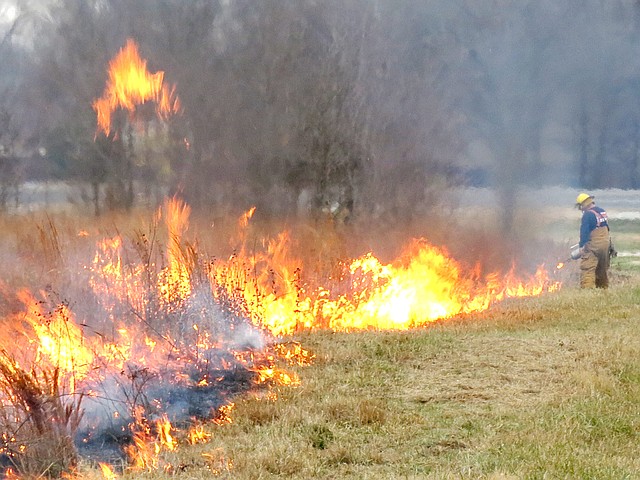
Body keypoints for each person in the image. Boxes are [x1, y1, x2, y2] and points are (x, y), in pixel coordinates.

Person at [575, 193, 611, 289]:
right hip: (605, 244)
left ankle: (587, 291)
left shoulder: (588, 215)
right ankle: (603, 288)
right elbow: (606, 227)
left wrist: (582, 246)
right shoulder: (602, 211)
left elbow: (584, 232)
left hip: (594, 245)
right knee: (601, 269)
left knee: (587, 268)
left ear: (583, 204)